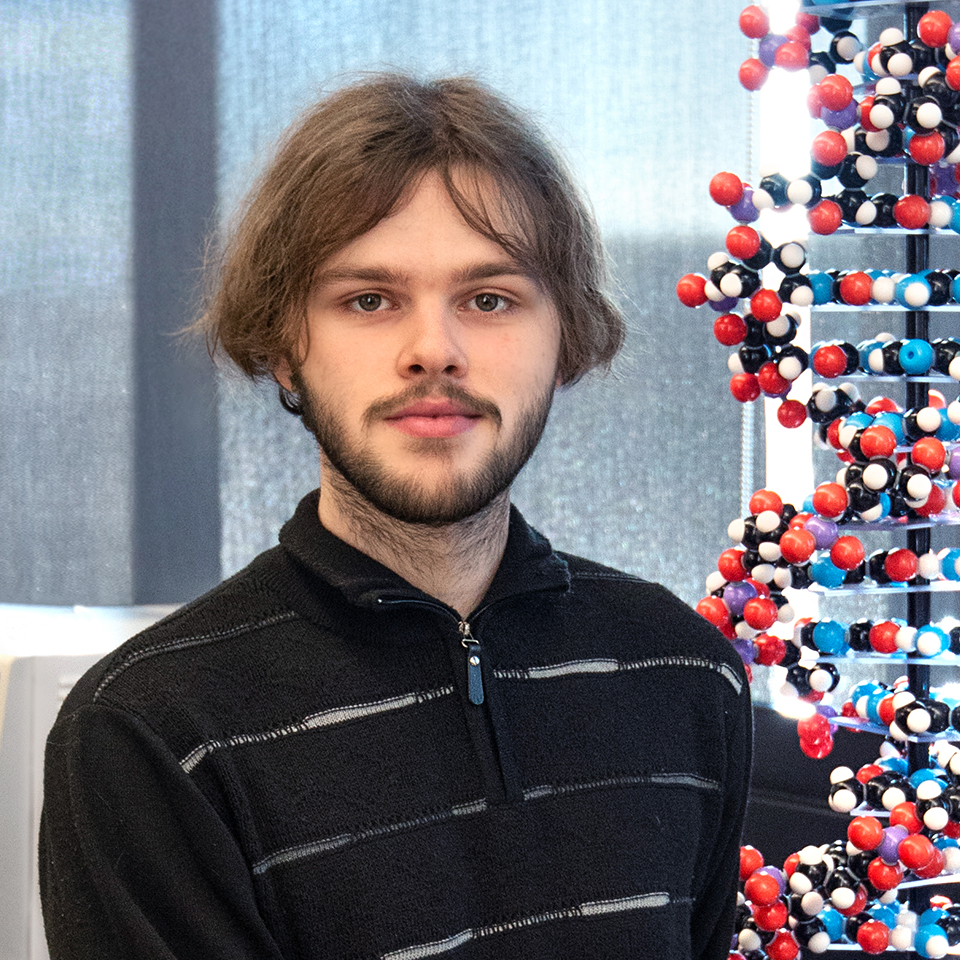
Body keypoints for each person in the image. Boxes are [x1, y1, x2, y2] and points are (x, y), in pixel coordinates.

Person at [39, 73, 752, 960]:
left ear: (563, 341)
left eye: (488, 299)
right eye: (368, 300)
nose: (433, 351)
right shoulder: (152, 731)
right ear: (284, 348)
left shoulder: (683, 673)